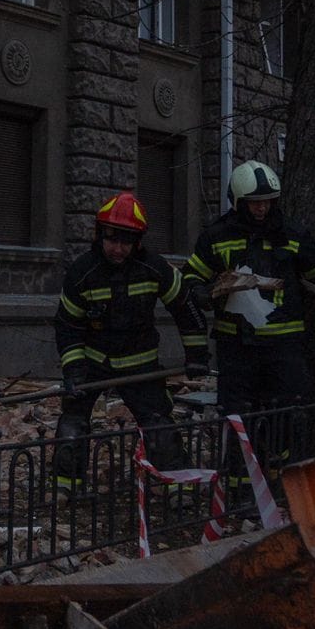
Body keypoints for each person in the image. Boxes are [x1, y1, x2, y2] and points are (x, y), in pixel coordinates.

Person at [51, 192, 207, 494]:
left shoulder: (155, 268)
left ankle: (180, 490)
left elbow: (186, 308)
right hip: (93, 364)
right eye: (113, 240)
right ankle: (65, 492)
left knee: (159, 427)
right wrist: (73, 371)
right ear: (100, 235)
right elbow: (67, 326)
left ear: (138, 242)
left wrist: (197, 354)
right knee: (72, 425)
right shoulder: (82, 273)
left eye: (127, 242)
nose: (119, 249)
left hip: (141, 365)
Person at [184, 160, 315, 419]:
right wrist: (199, 291)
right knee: (237, 415)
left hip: (285, 347)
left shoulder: (292, 235)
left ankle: (284, 459)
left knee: (289, 413)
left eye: (268, 200)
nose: (262, 207)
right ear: (239, 202)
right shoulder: (216, 237)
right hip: (236, 347)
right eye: (254, 202)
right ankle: (240, 460)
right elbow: (192, 275)